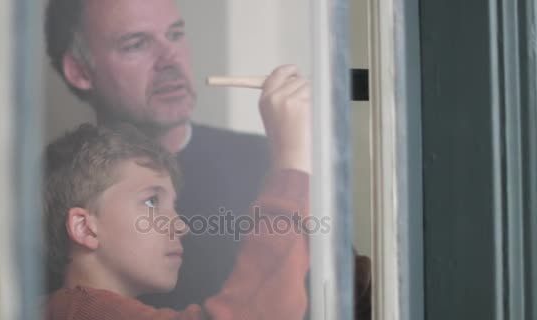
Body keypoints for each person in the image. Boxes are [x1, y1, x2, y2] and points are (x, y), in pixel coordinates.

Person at [44, 0, 370, 317]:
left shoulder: (264, 159)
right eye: (136, 43)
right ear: (79, 70)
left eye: (175, 34)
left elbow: (349, 296)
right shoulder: (42, 195)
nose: (170, 57)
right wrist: (293, 164)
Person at [42, 66, 312, 319]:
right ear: (85, 228)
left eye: (173, 206)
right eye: (151, 201)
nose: (182, 226)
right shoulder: (77, 312)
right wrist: (291, 160)